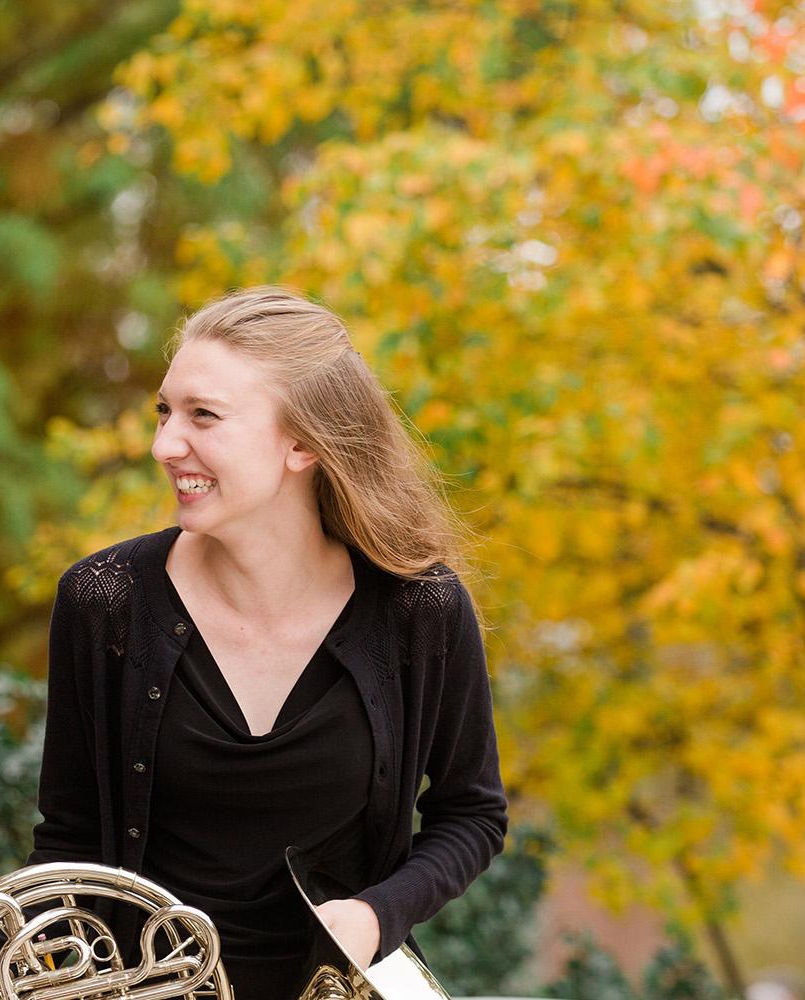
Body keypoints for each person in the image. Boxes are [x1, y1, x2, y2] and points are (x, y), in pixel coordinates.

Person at [30, 288, 508, 1000]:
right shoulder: (104, 602)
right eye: (165, 411)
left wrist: (377, 916)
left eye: (205, 416)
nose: (165, 444)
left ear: (302, 443)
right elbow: (68, 842)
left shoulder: (418, 609)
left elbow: (473, 813)